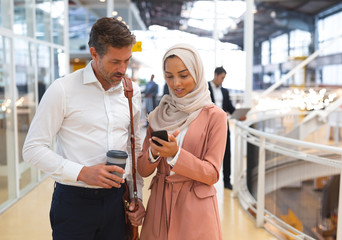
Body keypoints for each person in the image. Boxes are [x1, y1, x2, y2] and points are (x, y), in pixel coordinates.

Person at [22, 17, 145, 240]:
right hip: (73, 202)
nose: (123, 69)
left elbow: (133, 148)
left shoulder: (131, 92)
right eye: (115, 61)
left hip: (117, 201)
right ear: (94, 53)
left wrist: (137, 196)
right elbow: (32, 149)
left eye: (127, 60)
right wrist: (82, 172)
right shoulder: (63, 90)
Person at [137, 43, 227, 240]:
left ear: (197, 72)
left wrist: (176, 155)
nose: (176, 83)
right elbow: (143, 170)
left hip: (195, 207)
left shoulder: (215, 117)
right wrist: (153, 153)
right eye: (169, 76)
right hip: (160, 205)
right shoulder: (158, 115)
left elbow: (212, 173)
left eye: (183, 75)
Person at [208, 67, 235, 190]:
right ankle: (207, 179)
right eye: (222, 77)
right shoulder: (205, 88)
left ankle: (227, 181)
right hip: (209, 126)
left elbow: (229, 107)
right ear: (216, 75)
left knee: (227, 153)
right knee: (208, 153)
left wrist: (239, 113)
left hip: (224, 125)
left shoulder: (225, 91)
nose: (223, 80)